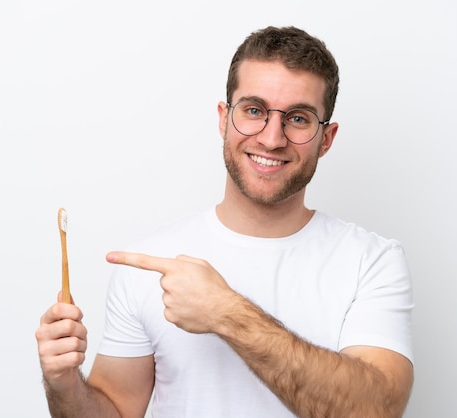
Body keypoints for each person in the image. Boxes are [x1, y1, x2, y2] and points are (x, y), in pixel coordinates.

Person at [36, 25, 414, 418]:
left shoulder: (371, 261)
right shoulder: (150, 262)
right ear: (224, 118)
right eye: (254, 110)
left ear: (326, 138)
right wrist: (64, 385)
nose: (271, 139)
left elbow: (377, 410)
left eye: (298, 118)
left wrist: (226, 313)